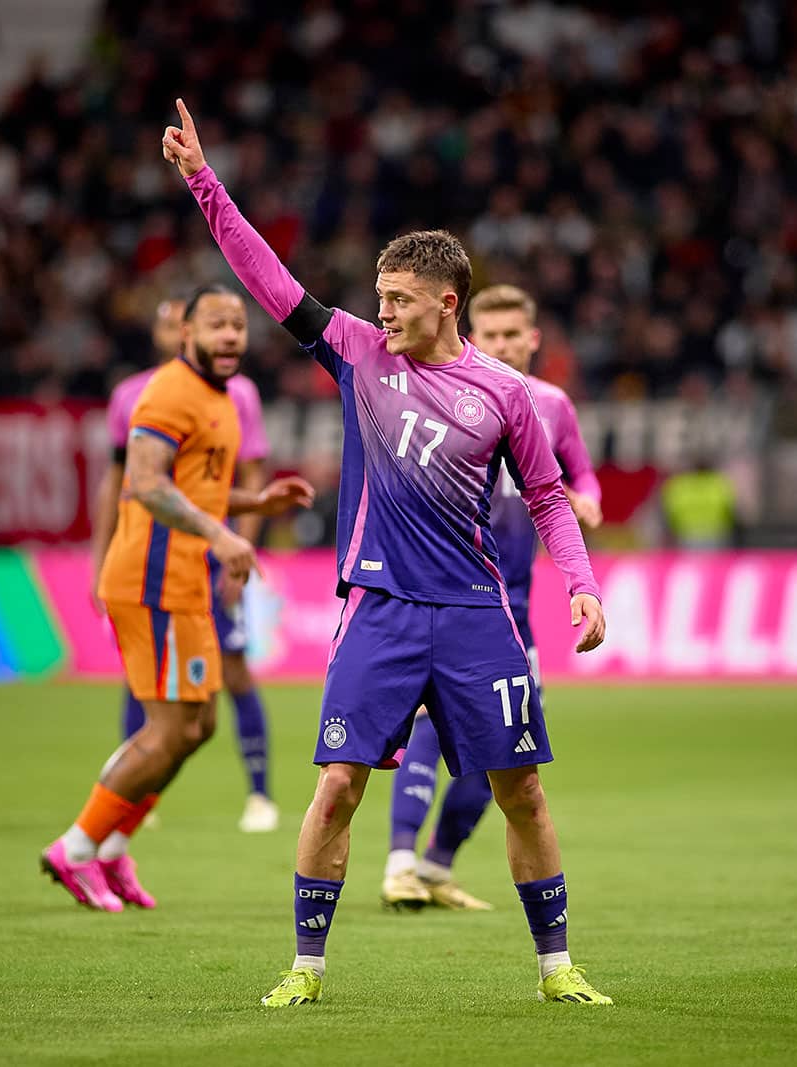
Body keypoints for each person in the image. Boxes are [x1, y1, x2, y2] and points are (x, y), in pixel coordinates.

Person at [163, 99, 612, 1007]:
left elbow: (549, 496)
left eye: (400, 300)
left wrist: (583, 584)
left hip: (479, 614)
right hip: (379, 608)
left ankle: (557, 968)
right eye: (380, 299)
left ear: (449, 303)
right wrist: (205, 185)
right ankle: (307, 966)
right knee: (336, 788)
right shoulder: (357, 352)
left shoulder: (506, 394)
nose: (384, 313)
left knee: (521, 792)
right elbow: (271, 280)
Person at [40, 283, 313, 912]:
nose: (230, 337)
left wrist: (256, 504)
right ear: (185, 333)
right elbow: (143, 482)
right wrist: (221, 535)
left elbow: (198, 487)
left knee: (199, 725)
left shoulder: (223, 400)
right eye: (216, 324)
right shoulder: (167, 392)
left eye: (239, 326)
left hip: (185, 585)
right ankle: (77, 847)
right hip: (150, 581)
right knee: (167, 729)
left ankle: (112, 850)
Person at [381, 284, 602, 914]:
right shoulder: (441, 391)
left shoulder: (553, 406)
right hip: (445, 592)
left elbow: (577, 473)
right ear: (469, 328)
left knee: (507, 748)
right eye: (492, 334)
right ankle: (398, 861)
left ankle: (434, 867)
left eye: (514, 335)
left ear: (533, 338)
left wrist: (589, 499)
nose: (502, 345)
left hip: (515, 607)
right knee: (426, 724)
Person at [90, 299, 280, 843]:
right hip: (155, 569)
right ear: (172, 332)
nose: (225, 338)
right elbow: (126, 482)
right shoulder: (138, 394)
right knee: (156, 700)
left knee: (226, 685)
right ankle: (106, 827)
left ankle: (259, 793)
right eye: (172, 322)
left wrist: (239, 547)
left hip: (211, 566)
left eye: (235, 326)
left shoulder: (237, 392)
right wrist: (97, 554)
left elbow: (237, 475)